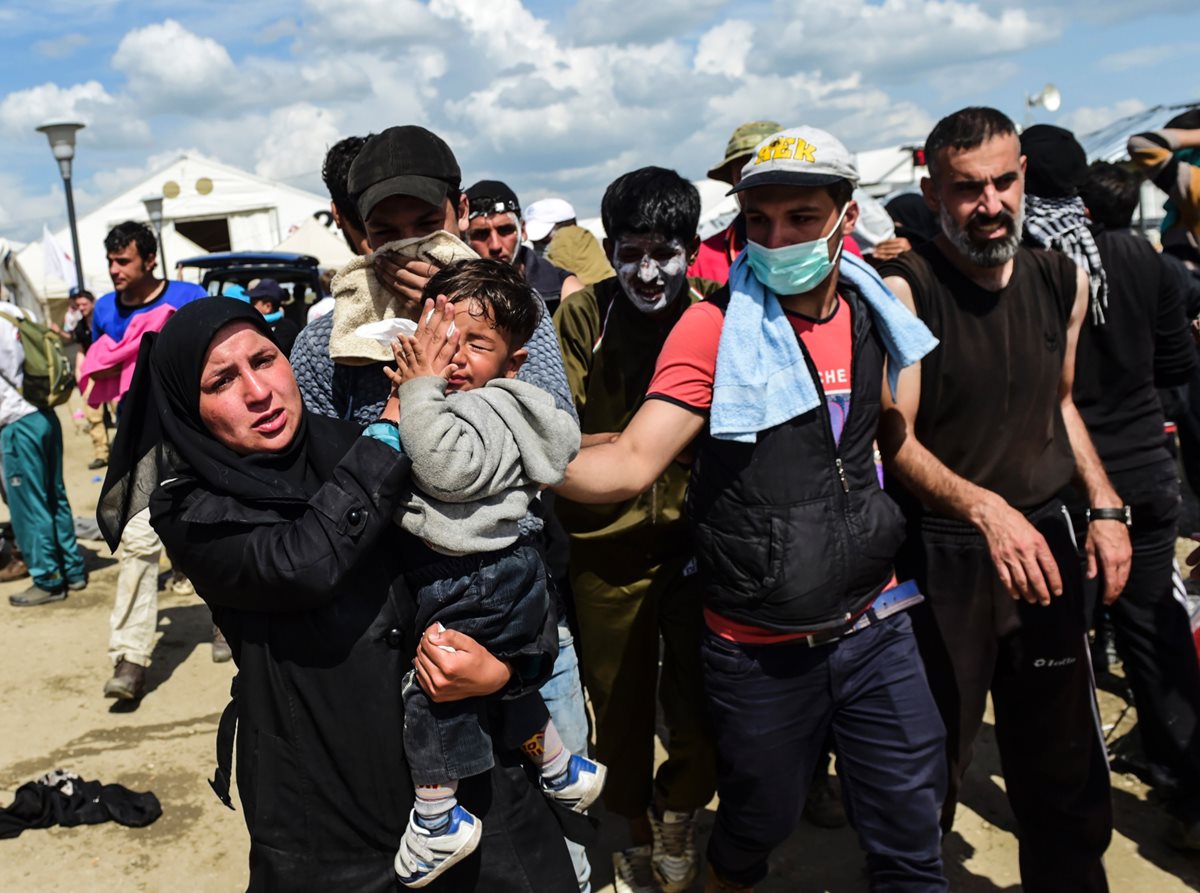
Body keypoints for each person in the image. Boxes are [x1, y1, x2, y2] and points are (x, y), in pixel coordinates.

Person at [555, 127, 947, 893]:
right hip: (706, 604)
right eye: (758, 222)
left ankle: (677, 815)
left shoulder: (873, 312)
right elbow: (628, 458)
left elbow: (890, 437)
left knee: (906, 822)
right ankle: (639, 828)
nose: (777, 239)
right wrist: (504, 449)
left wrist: (982, 506)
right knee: (658, 741)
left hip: (864, 616)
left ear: (843, 214)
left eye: (801, 219)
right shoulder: (717, 325)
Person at [96, 296, 579, 891]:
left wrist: (506, 672)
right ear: (186, 410)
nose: (258, 390)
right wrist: (391, 433)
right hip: (330, 815)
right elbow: (301, 564)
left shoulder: (364, 442)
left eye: (265, 360)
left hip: (471, 794)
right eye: (223, 380)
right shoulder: (192, 508)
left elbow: (520, 566)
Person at [294, 123, 597, 892]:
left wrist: (439, 381)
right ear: (354, 232)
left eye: (422, 226)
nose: (405, 248)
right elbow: (332, 485)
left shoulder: (511, 312)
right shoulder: (328, 342)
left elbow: (543, 452)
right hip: (413, 624)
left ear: (458, 213)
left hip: (519, 612)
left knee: (562, 835)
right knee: (462, 830)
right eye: (383, 233)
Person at [876, 106, 1132, 891]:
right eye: (966, 189)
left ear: (1024, 177)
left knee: (1060, 760)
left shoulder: (1064, 277)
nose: (989, 204)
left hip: (1049, 543)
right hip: (948, 553)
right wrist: (985, 509)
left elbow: (1060, 404)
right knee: (933, 762)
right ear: (933, 190)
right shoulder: (908, 287)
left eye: (1002, 182)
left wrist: (1106, 503)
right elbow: (897, 436)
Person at [385, 260, 604, 886]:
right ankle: (563, 767)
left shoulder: (481, 408)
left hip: (469, 578)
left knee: (432, 692)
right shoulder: (503, 404)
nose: (451, 358)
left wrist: (418, 389)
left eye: (475, 344)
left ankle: (437, 817)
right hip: (501, 574)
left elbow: (444, 467)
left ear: (515, 362)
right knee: (502, 691)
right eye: (441, 337)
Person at [552, 166, 723, 893]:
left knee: (709, 702)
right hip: (603, 551)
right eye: (629, 250)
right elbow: (553, 439)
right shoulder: (583, 316)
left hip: (701, 548)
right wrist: (637, 446)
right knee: (616, 708)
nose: (647, 271)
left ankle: (680, 806)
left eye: (664, 250)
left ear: (691, 247)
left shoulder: (716, 314)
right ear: (607, 246)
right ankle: (628, 826)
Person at [1055, 154, 1200, 844]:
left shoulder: (1046, 270)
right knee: (1157, 634)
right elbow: (1179, 366)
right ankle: (1189, 794)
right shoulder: (1155, 265)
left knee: (1066, 646)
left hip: (1077, 485)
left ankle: (1076, 804)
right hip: (1147, 470)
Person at [92, 221, 207, 700]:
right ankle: (131, 657)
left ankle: (226, 619)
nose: (115, 271)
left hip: (198, 438)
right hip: (139, 443)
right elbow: (98, 358)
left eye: (124, 261)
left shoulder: (188, 298)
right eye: (111, 262)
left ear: (149, 260)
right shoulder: (104, 310)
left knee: (212, 530)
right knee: (138, 543)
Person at [0, 300, 87, 607]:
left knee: (28, 505)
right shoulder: (16, 311)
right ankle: (72, 569)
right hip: (45, 415)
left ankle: (47, 579)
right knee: (55, 495)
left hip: (16, 423)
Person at [463, 180, 584, 315]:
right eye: (481, 234)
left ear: (523, 230)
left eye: (505, 230)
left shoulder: (564, 290)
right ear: (465, 238)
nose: (495, 245)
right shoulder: (455, 295)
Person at [689, 120, 782, 284]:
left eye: (770, 173)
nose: (759, 187)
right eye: (746, 176)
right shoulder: (702, 261)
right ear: (732, 182)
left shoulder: (831, 250)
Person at [68, 289, 109, 470]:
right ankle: (102, 454)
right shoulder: (80, 326)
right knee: (93, 415)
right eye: (79, 305)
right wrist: (79, 372)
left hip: (111, 370)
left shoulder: (106, 318)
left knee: (123, 411)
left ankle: (131, 450)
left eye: (84, 304)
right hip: (92, 372)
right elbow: (81, 351)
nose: (81, 308)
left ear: (93, 303)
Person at [247, 279, 301, 356]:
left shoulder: (287, 328)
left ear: (267, 307)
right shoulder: (251, 325)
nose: (250, 306)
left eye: (253, 303)